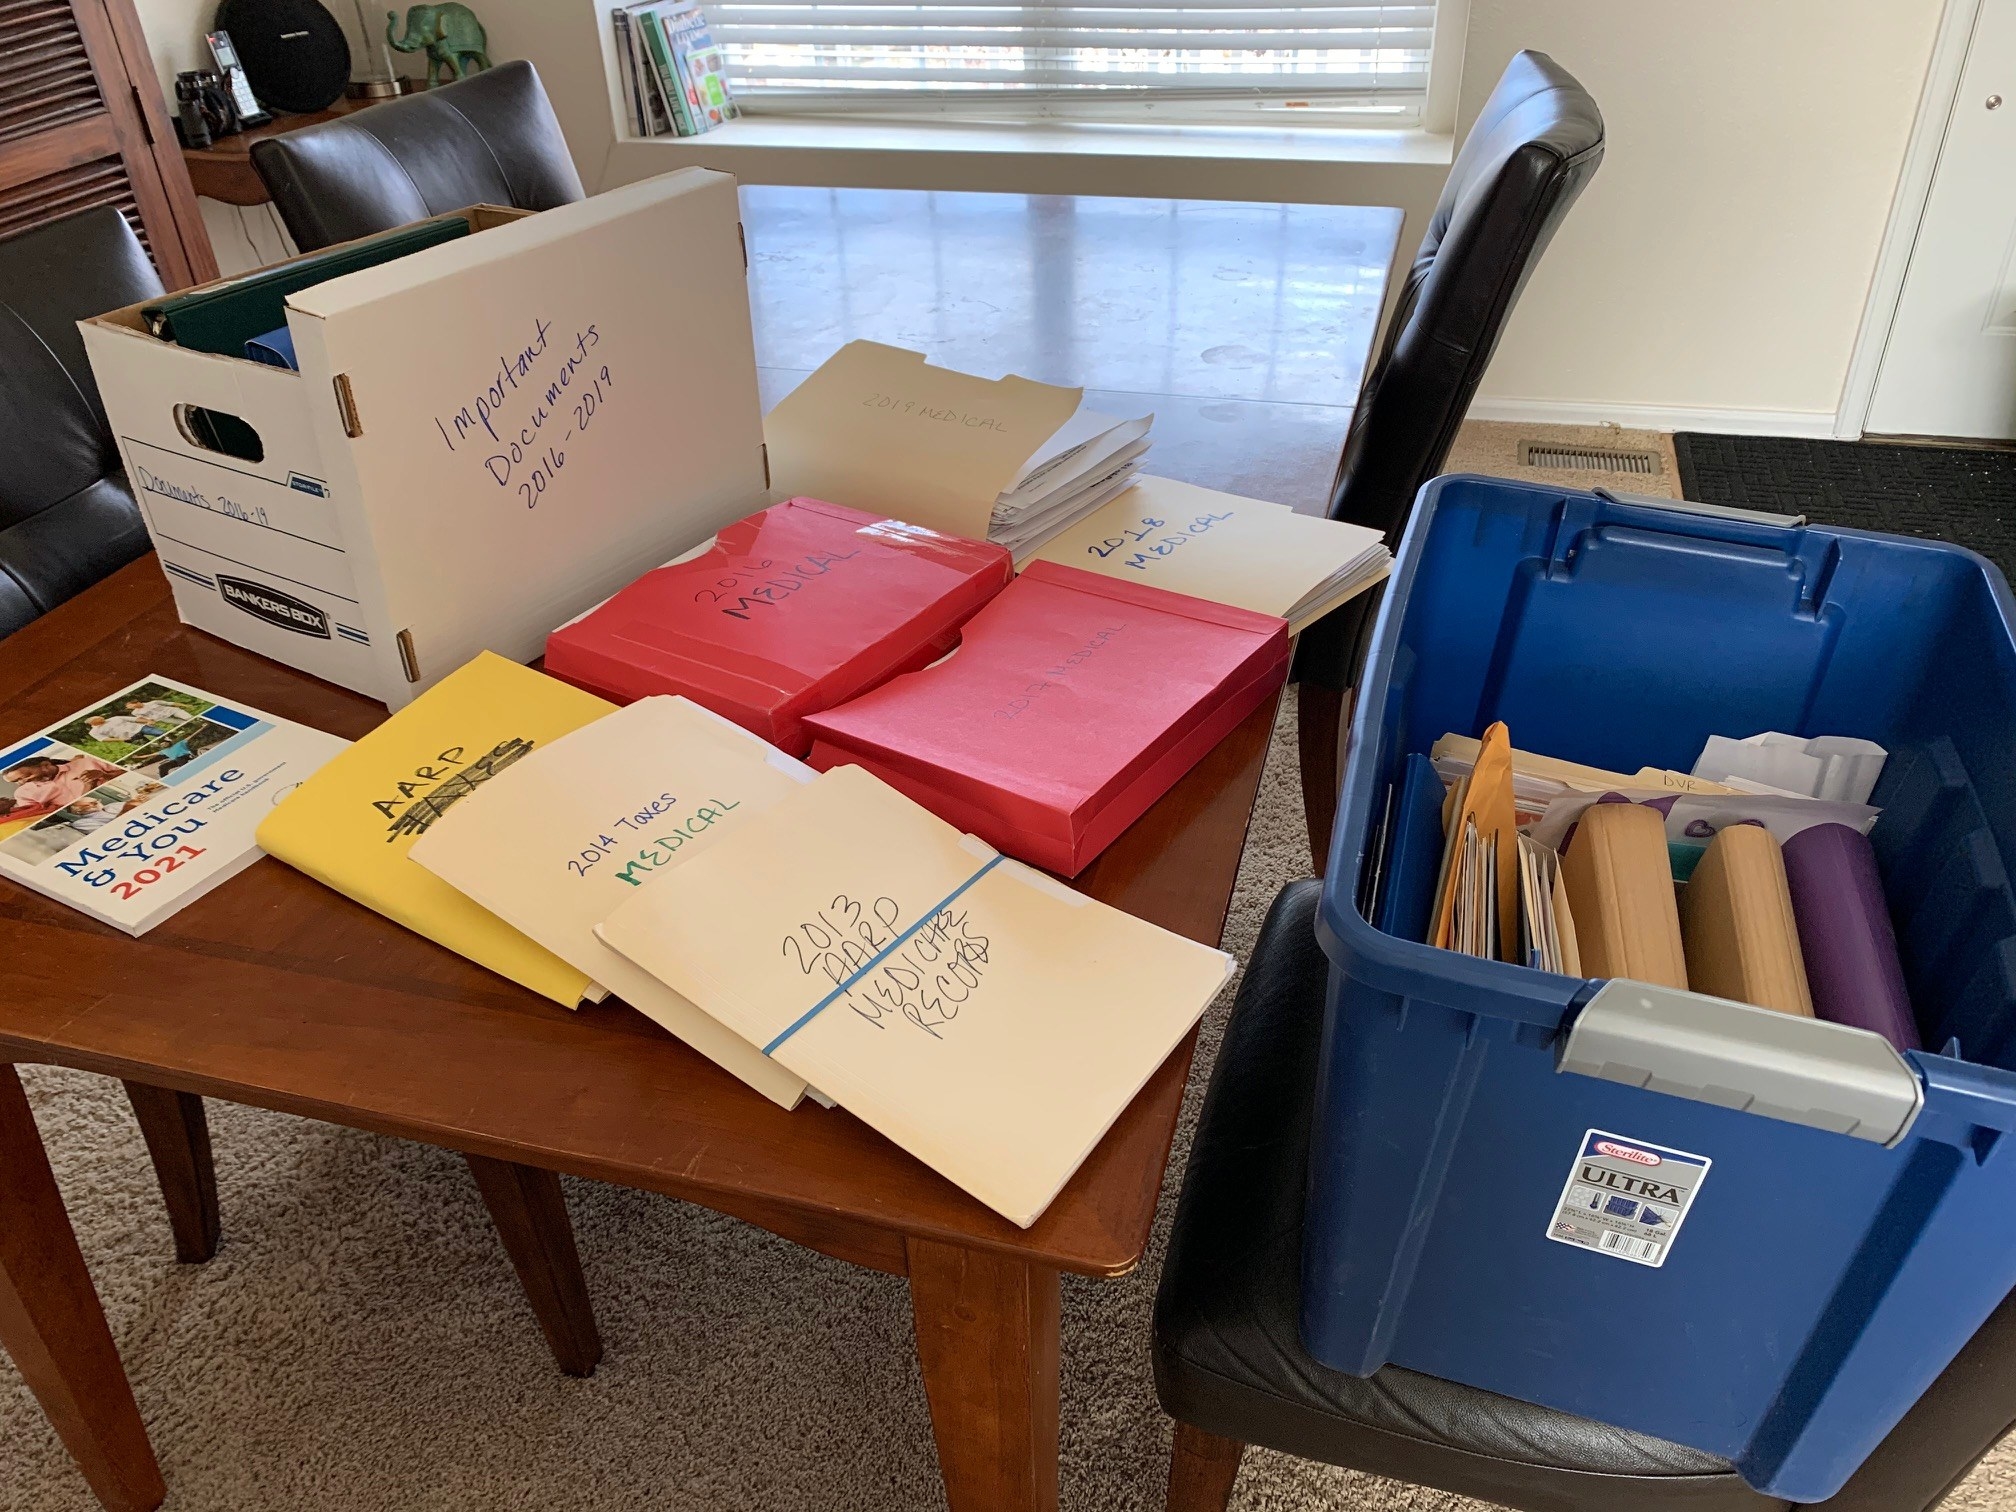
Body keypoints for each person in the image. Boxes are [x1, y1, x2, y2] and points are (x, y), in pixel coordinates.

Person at [3, 754, 123, 822]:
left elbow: (129, 771)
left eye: (26, 776)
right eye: (16, 782)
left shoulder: (87, 762)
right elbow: (37, 818)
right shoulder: (23, 793)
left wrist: (105, 775)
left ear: (45, 765)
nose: (23, 782)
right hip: (83, 819)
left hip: (113, 804)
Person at [126, 698, 196, 729]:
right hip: (163, 718)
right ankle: (195, 726)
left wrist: (186, 705)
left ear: (137, 702)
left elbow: (170, 703)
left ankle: (197, 720)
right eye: (131, 708)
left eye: (133, 706)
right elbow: (143, 718)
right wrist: (149, 722)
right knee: (183, 723)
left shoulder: (154, 702)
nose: (133, 708)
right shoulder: (135, 712)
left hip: (172, 711)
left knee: (190, 718)